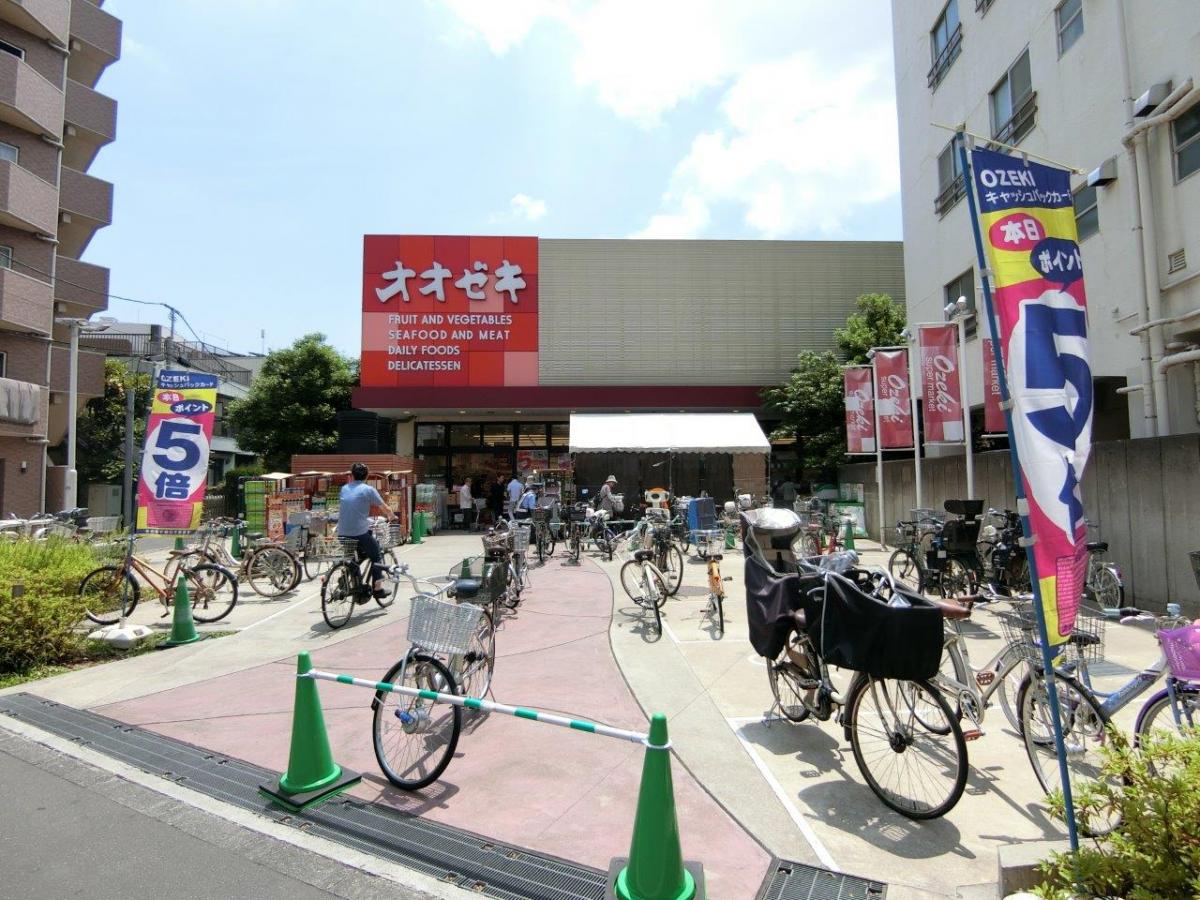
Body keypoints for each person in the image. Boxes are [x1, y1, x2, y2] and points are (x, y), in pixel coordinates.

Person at [335, 463, 396, 599]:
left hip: (342, 532)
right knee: (376, 556)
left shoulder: (344, 488)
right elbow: (384, 507)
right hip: (360, 533)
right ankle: (378, 589)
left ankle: (350, 580)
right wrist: (392, 516)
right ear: (367, 475)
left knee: (352, 558)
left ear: (352, 475)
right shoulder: (368, 490)